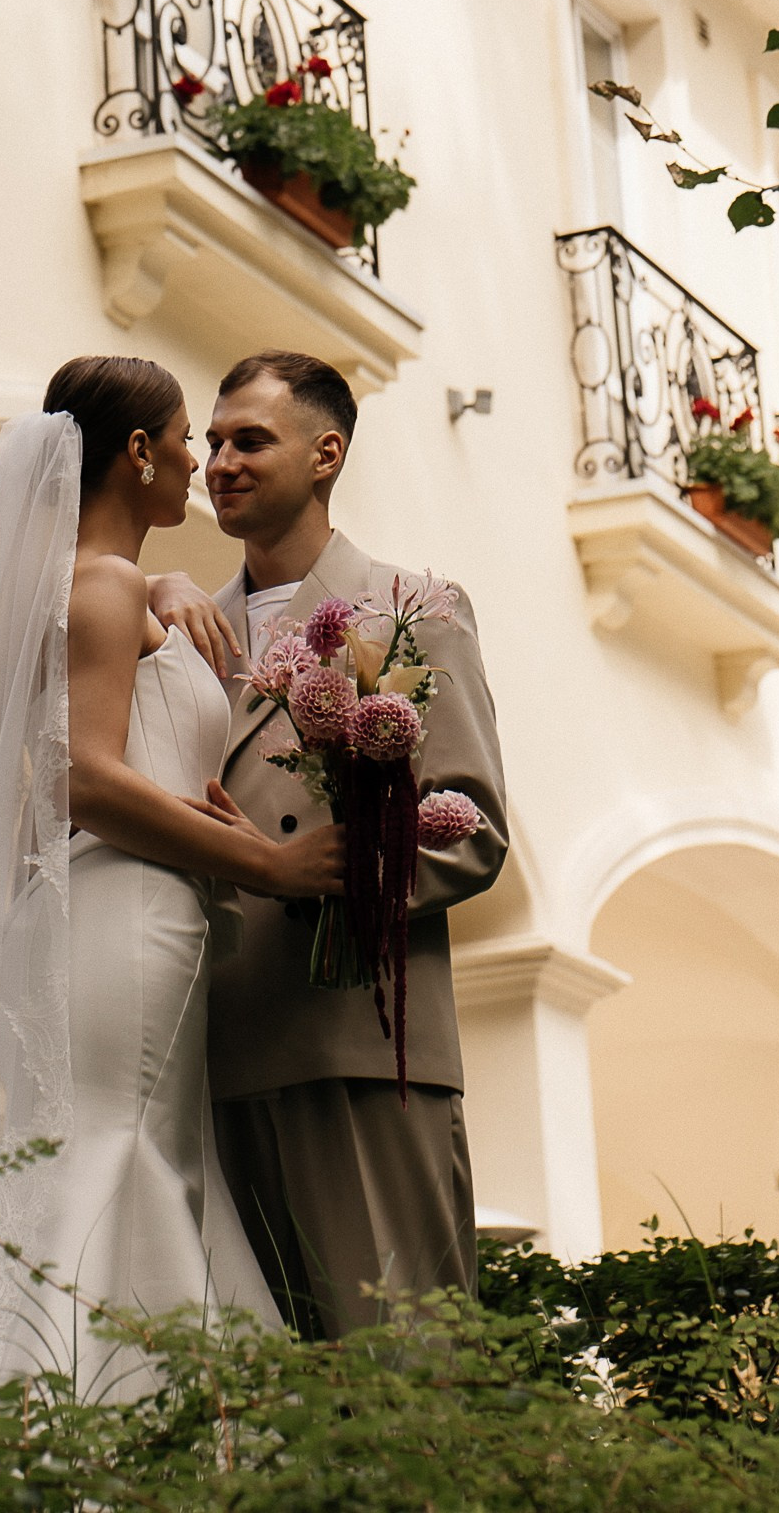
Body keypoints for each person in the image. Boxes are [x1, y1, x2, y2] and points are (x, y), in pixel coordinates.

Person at [0, 356, 343, 1400]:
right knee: (117, 1156)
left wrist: (165, 584)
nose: (200, 458)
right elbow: (77, 780)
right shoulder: (97, 586)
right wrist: (268, 862)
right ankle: (84, 1424)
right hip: (123, 914)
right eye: (188, 436)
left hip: (125, 916)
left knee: (127, 1156)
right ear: (137, 452)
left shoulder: (104, 584)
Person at [149, 349, 508, 1338]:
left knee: (398, 1370)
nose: (219, 460)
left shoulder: (415, 609)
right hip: (211, 1047)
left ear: (325, 452)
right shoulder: (175, 632)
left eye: (249, 440)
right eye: (211, 441)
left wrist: (330, 879)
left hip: (359, 1041)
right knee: (264, 1403)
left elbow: (469, 828)